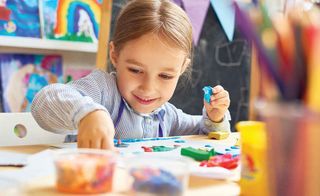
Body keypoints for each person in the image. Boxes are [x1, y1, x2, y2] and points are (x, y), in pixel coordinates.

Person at [31, 0, 231, 150]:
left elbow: (205, 135)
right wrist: (87, 114)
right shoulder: (102, 90)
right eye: (136, 70)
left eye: (165, 76)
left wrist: (214, 118)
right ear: (114, 55)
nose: (148, 88)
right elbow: (45, 101)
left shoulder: (166, 115)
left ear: (181, 69)